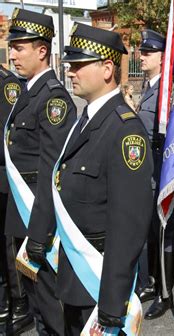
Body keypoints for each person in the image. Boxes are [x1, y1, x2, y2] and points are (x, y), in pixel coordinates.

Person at [56, 22, 153, 335]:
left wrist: (112, 305)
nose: (71, 71)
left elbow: (129, 225)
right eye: (71, 65)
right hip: (75, 274)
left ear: (107, 68)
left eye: (79, 65)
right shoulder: (84, 120)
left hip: (99, 283)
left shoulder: (126, 130)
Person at [4, 8, 76, 335]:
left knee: (50, 308)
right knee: (36, 304)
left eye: (20, 47)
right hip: (22, 215)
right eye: (12, 47)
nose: (12, 54)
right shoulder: (26, 92)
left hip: (38, 221)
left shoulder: (53, 100)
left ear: (42, 50)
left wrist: (39, 233)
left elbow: (51, 174)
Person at [135, 28, 174, 320]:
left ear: (163, 58)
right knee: (151, 234)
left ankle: (166, 294)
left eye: (147, 52)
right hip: (146, 176)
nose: (141, 56)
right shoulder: (149, 86)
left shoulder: (172, 91)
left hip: (163, 177)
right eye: (142, 51)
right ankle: (153, 282)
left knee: (164, 235)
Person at [0, 65, 25, 328]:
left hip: (4, 179)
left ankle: (19, 302)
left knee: (8, 245)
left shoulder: (8, 84)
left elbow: (9, 139)